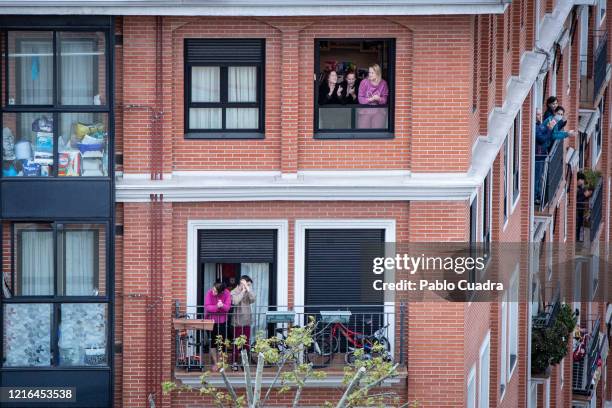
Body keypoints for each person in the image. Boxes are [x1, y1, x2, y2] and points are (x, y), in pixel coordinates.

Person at [230, 275, 256, 371]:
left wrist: (248, 289)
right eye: (246, 284)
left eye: (249, 285)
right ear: (241, 283)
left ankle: (244, 362)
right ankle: (234, 362)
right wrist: (243, 291)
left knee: (246, 343)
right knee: (236, 344)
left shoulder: (248, 291)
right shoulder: (233, 292)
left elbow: (253, 299)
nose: (248, 286)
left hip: (247, 321)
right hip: (237, 322)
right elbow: (235, 301)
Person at [204, 281, 231, 371]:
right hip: (211, 321)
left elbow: (227, 308)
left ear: (221, 292)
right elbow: (208, 307)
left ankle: (221, 362)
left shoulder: (226, 293)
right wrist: (217, 307)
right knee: (212, 343)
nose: (213, 292)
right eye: (213, 289)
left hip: (222, 321)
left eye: (215, 291)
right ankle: (215, 363)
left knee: (222, 343)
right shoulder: (209, 293)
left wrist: (222, 305)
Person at [357, 64, 389, 128]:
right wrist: (370, 99)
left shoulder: (383, 83)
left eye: (372, 73)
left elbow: (385, 100)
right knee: (364, 133)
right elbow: (360, 99)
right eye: (369, 72)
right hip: (365, 112)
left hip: (379, 112)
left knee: (377, 133)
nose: (370, 74)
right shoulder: (364, 82)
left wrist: (379, 99)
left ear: (377, 73)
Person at [576, 172, 593, 241]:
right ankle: (577, 239)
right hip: (577, 211)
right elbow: (579, 198)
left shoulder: (580, 188)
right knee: (578, 226)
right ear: (579, 180)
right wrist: (585, 194)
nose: (583, 182)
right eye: (582, 180)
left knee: (580, 225)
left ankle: (578, 239)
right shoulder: (577, 189)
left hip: (580, 211)